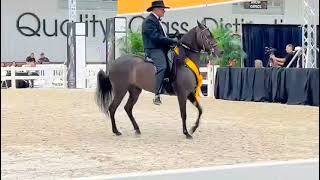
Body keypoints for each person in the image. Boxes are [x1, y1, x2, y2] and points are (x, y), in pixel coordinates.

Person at [142, 0, 178, 105]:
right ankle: (157, 95)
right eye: (163, 10)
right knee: (162, 67)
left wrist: (172, 38)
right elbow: (156, 37)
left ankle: (168, 87)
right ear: (156, 10)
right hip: (153, 49)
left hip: (161, 48)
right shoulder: (149, 21)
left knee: (172, 65)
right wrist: (171, 41)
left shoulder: (157, 21)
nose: (164, 11)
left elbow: (163, 37)